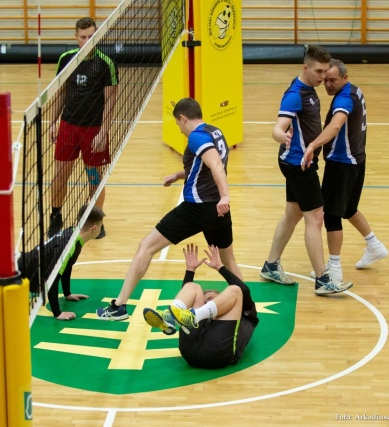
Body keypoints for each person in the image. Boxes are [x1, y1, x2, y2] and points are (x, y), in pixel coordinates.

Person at [96, 97, 243, 320]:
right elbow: (206, 167)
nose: (179, 129)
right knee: (228, 259)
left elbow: (214, 164)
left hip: (196, 208)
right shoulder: (215, 132)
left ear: (183, 118)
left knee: (146, 246)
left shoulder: (196, 137)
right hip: (218, 211)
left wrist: (225, 195)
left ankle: (119, 306)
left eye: (177, 124)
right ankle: (246, 306)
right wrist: (178, 175)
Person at [258, 45, 353, 296]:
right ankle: (323, 280)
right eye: (319, 71)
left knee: (293, 214)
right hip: (299, 164)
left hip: (298, 161)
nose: (323, 76)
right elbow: (277, 128)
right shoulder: (295, 95)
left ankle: (271, 265)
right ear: (306, 68)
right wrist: (282, 136)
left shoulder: (308, 88)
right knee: (316, 217)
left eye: (325, 71)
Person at [301, 59, 388, 281]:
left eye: (333, 80)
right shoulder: (355, 90)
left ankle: (334, 268)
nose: (328, 84)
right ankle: (374, 245)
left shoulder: (344, 99)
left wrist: (312, 145)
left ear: (345, 78)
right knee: (349, 209)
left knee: (331, 215)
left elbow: (336, 125)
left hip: (342, 163)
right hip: (357, 161)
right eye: (325, 80)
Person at [47, 17, 118, 239]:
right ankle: (55, 217)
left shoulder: (106, 64)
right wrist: (52, 122)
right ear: (76, 37)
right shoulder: (66, 59)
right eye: (83, 37)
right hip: (68, 126)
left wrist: (103, 132)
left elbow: (111, 100)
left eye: (91, 36)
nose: (88, 41)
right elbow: (60, 93)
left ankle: (96, 221)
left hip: (93, 130)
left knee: (94, 178)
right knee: (60, 175)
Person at [143, 244, 259, 368]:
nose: (207, 303)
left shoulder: (245, 313)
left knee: (235, 290)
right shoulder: (200, 319)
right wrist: (190, 270)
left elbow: (243, 290)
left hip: (220, 353)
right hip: (189, 352)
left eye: (211, 300)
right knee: (193, 287)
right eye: (205, 302)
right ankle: (170, 317)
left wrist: (220, 267)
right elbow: (187, 294)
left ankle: (193, 316)